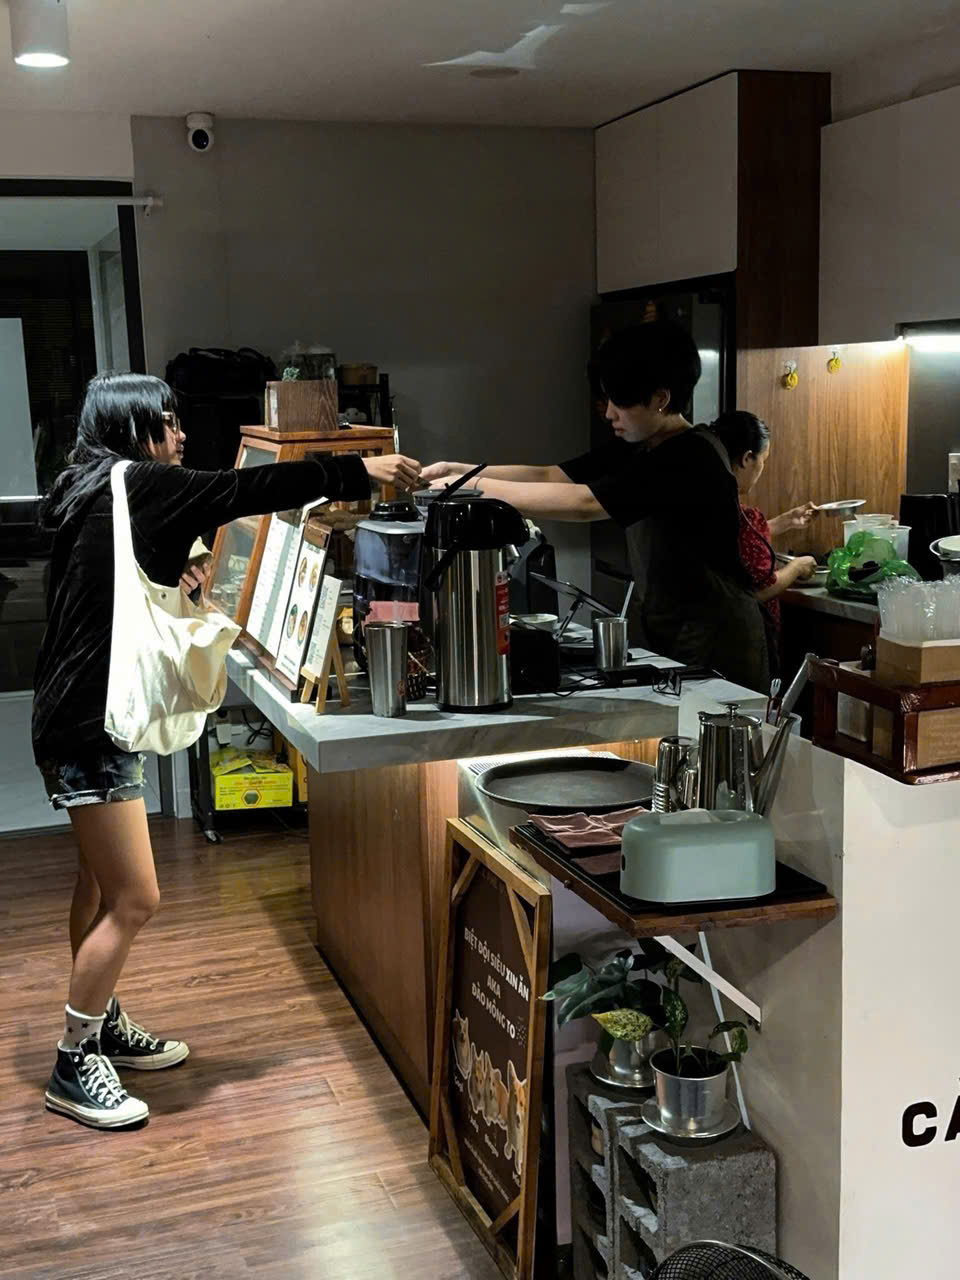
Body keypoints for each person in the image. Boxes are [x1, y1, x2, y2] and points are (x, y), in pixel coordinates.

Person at [33, 372, 420, 1130]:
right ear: (134, 429)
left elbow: (103, 577)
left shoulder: (90, 485)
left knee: (99, 886)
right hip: (88, 726)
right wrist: (358, 468)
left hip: (74, 713)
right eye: (167, 421)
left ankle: (102, 1022)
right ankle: (73, 1061)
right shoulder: (139, 481)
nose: (181, 435)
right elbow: (247, 489)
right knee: (137, 897)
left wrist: (170, 558)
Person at [423, 322, 770, 691]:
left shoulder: (688, 454)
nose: (609, 415)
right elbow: (553, 476)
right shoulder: (643, 442)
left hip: (720, 638)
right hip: (678, 626)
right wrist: (460, 471)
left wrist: (471, 488)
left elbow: (585, 503)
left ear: (661, 399)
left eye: (620, 402)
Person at [707, 411, 819, 673]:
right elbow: (760, 590)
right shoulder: (740, 512)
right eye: (763, 460)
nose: (762, 469)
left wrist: (784, 522)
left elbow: (738, 539)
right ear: (747, 458)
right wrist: (797, 567)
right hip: (742, 640)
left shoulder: (712, 502)